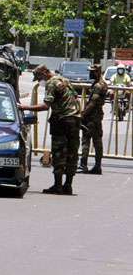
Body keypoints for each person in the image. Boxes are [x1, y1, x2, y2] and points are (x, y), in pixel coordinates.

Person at [19, 65, 81, 195]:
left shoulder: (52, 83)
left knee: (59, 152)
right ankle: (68, 185)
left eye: (40, 77)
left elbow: (45, 106)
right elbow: (76, 98)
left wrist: (24, 107)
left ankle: (58, 186)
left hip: (62, 121)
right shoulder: (64, 80)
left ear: (45, 73)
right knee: (72, 153)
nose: (40, 81)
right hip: (74, 120)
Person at [78, 65, 107, 174]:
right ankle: (97, 165)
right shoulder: (100, 84)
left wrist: (83, 114)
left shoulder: (98, 86)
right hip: (97, 116)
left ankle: (83, 165)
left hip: (92, 117)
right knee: (97, 141)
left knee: (86, 140)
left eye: (92, 72)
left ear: (97, 72)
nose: (90, 73)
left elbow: (92, 103)